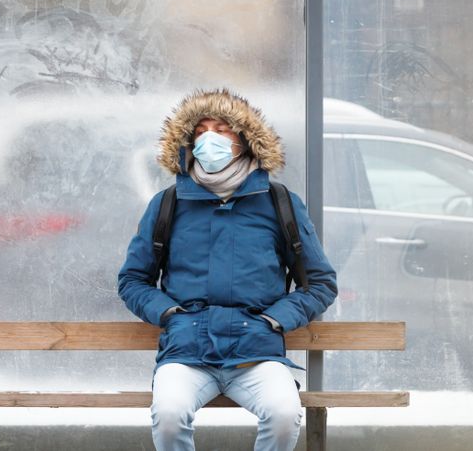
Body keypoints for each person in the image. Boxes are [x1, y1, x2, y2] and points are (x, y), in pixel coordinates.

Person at [118, 88, 338, 451]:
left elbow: (319, 283)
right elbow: (133, 280)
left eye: (221, 130)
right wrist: (171, 315)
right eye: (201, 130)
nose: (209, 138)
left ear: (244, 140)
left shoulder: (279, 202)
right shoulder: (168, 203)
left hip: (256, 352)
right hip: (186, 352)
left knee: (284, 414)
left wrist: (274, 320)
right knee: (169, 415)